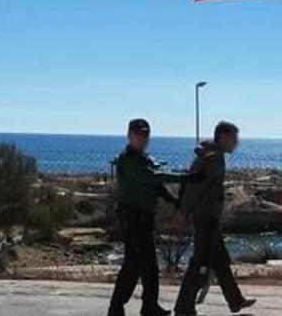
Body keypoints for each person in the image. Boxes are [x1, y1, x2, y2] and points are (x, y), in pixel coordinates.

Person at [108, 118, 199, 316]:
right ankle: (116, 307)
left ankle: (149, 306)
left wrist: (173, 200)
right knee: (133, 265)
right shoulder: (128, 159)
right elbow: (152, 177)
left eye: (145, 135)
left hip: (144, 218)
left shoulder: (143, 158)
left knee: (149, 265)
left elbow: (155, 186)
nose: (142, 138)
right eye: (138, 134)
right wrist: (185, 177)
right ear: (129, 135)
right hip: (131, 218)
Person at [173, 121, 256, 316]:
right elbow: (195, 187)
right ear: (224, 137)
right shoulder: (213, 158)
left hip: (208, 217)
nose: (237, 143)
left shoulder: (210, 155)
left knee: (220, 261)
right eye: (234, 138)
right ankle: (183, 307)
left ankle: (235, 301)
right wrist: (183, 212)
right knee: (199, 265)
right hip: (206, 218)